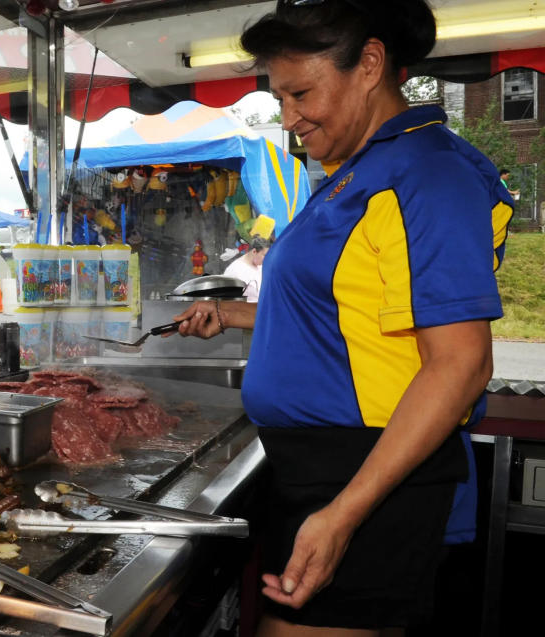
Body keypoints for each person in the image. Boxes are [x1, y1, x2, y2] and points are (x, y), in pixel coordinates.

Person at [173, 1, 513, 634]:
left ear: (371, 65)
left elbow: (462, 364)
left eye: (302, 92)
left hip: (367, 476)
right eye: (280, 96)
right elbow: (345, 310)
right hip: (323, 469)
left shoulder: (425, 176)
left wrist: (344, 514)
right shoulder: (353, 172)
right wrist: (234, 314)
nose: (289, 116)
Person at [223, 236, 270, 302]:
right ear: (254, 251)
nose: (267, 259)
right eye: (265, 255)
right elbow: (228, 300)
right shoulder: (235, 270)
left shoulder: (261, 266)